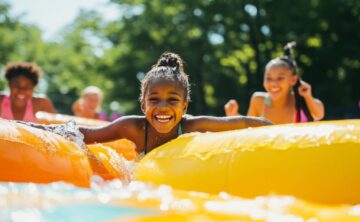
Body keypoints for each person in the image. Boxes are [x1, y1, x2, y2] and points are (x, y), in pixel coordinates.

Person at [26, 52, 271, 156]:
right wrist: (29, 128)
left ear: (184, 107)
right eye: (154, 100)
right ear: (143, 105)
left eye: (172, 100)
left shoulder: (193, 125)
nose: (163, 107)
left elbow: (243, 122)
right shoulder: (132, 128)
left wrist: (280, 130)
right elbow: (83, 135)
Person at [225, 43, 324, 124]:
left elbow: (319, 114)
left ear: (293, 80)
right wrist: (234, 115)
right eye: (269, 78)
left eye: (280, 78)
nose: (273, 83)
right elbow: (249, 127)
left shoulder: (299, 100)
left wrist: (308, 96)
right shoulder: (259, 101)